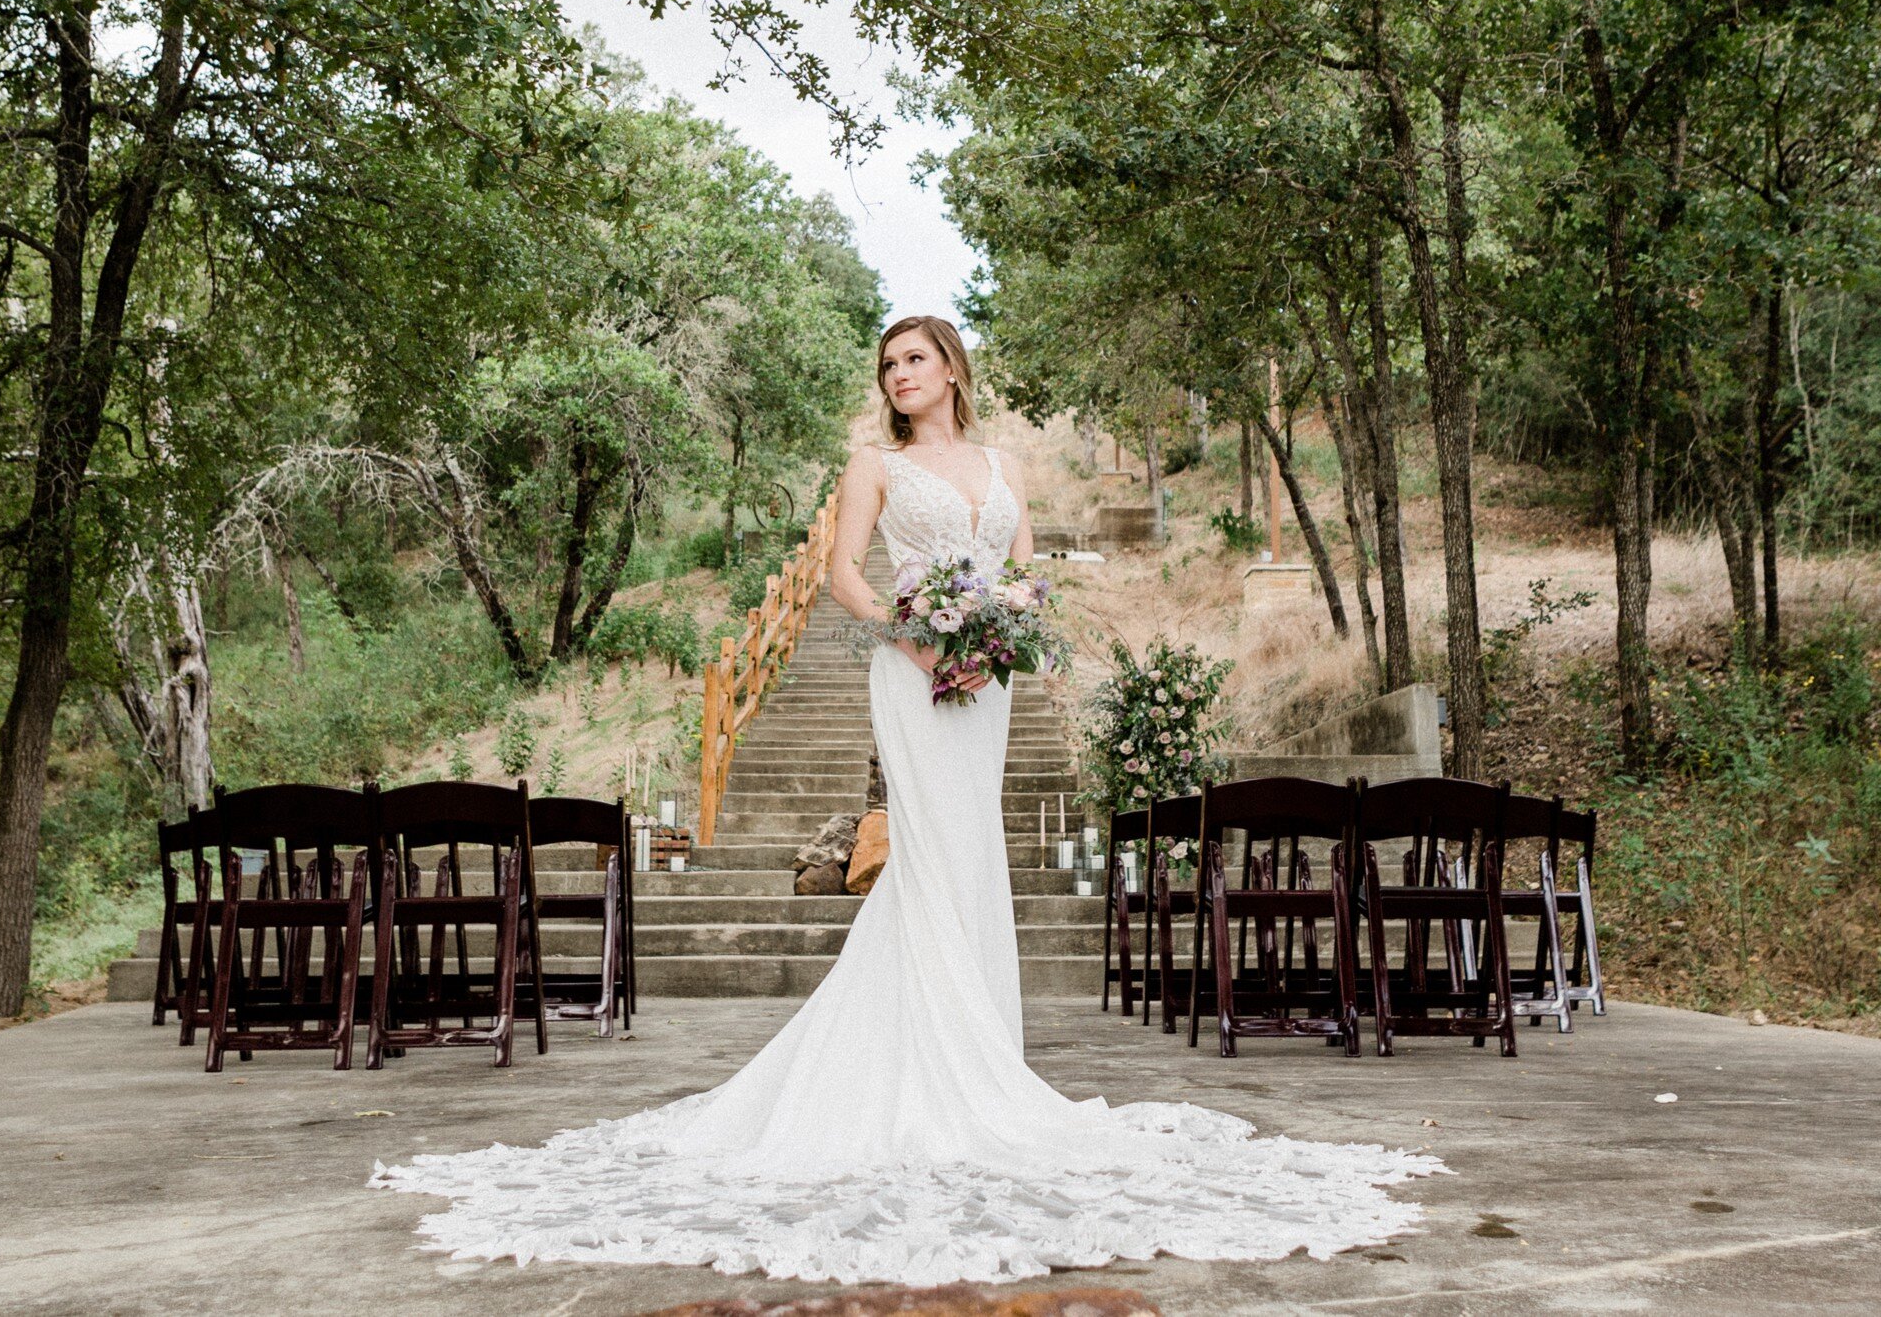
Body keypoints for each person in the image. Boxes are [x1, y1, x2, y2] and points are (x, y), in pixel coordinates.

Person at [371, 315, 1442, 1286]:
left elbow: (1023, 571)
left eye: (914, 359)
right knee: (926, 854)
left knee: (971, 858)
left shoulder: (1000, 462)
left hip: (990, 685)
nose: (899, 375)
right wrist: (916, 632)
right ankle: (933, 1073)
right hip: (912, 668)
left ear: (950, 369)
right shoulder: (870, 462)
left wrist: (997, 637)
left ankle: (976, 1058)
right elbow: (840, 569)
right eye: (888, 365)